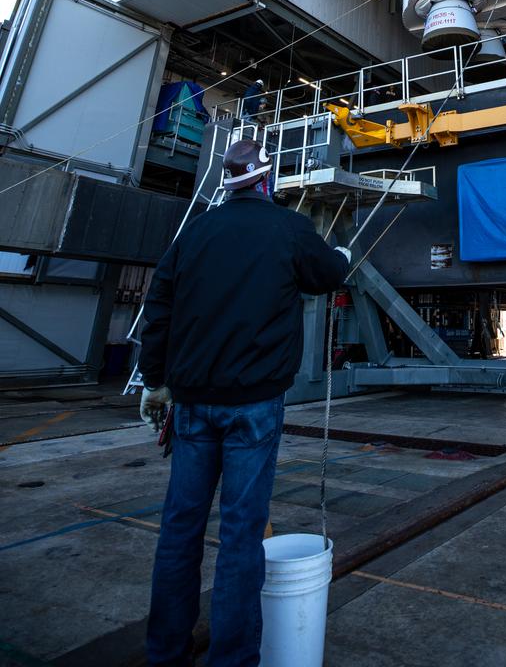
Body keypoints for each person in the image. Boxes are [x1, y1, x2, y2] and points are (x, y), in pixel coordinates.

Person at [139, 138, 350, 667]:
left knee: (179, 528)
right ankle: (230, 660)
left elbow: (158, 305)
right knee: (240, 535)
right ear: (267, 181)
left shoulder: (195, 232)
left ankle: (165, 653)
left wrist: (154, 381)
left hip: (190, 405)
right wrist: (341, 255)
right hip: (253, 407)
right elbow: (329, 273)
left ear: (227, 183)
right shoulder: (289, 227)